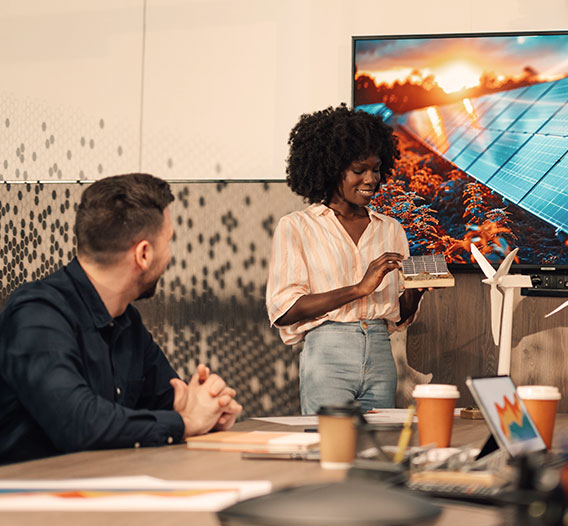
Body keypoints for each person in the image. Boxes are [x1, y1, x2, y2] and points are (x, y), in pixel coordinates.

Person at [0, 173, 243, 465]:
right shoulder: (36, 314)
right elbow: (80, 423)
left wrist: (210, 407)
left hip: (99, 489)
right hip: (27, 500)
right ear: (144, 253)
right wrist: (187, 423)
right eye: (169, 241)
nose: (169, 255)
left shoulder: (126, 320)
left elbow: (170, 401)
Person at [266, 105, 425, 414]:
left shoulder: (390, 230)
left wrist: (417, 291)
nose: (371, 179)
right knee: (329, 450)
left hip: (381, 356)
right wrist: (358, 288)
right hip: (327, 357)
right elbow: (284, 309)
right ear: (332, 168)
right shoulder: (297, 227)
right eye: (359, 170)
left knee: (376, 450)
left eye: (376, 169)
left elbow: (398, 317)